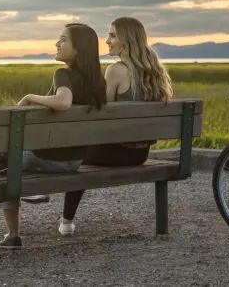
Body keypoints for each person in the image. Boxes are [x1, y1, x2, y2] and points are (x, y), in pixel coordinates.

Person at [0, 23, 107, 249]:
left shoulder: (63, 74)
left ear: (78, 49)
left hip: (45, 160)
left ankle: (13, 234)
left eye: (63, 39)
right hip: (74, 161)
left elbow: (64, 102)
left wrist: (30, 96)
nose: (57, 43)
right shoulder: (99, 82)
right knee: (1, 159)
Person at [59, 16, 173, 236]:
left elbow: (103, 113)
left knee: (76, 150)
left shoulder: (115, 71)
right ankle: (65, 220)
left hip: (115, 153)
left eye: (112, 35)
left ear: (127, 40)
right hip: (140, 154)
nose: (107, 40)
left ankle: (66, 220)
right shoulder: (156, 72)